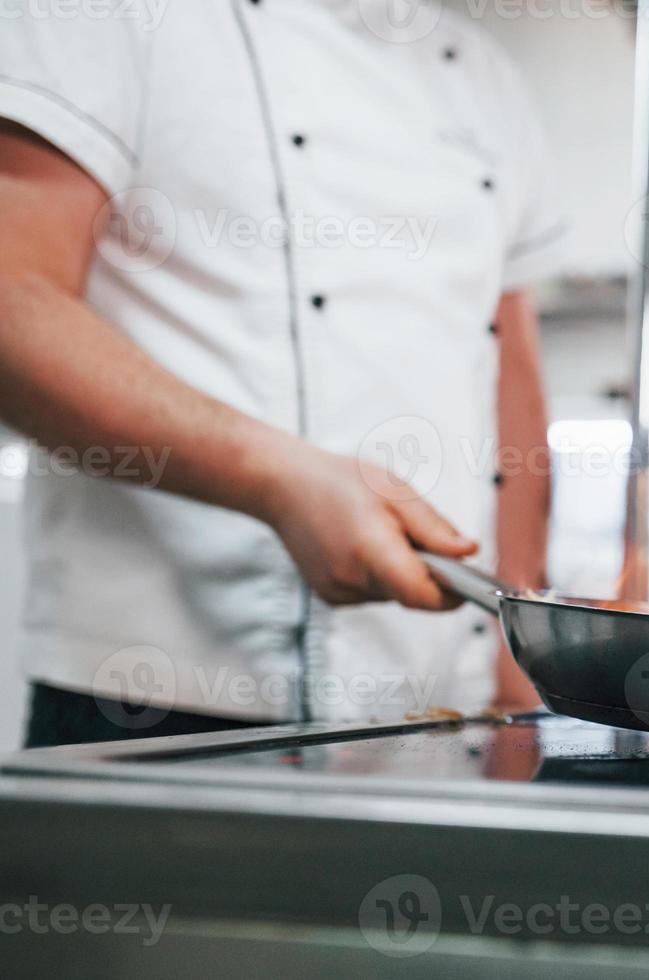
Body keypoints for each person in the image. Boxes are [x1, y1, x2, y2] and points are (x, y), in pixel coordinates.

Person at [0, 1, 563, 746]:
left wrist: (518, 667)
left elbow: (506, 369)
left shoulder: (482, 72)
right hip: (162, 700)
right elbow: (14, 301)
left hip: (443, 707)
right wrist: (278, 477)